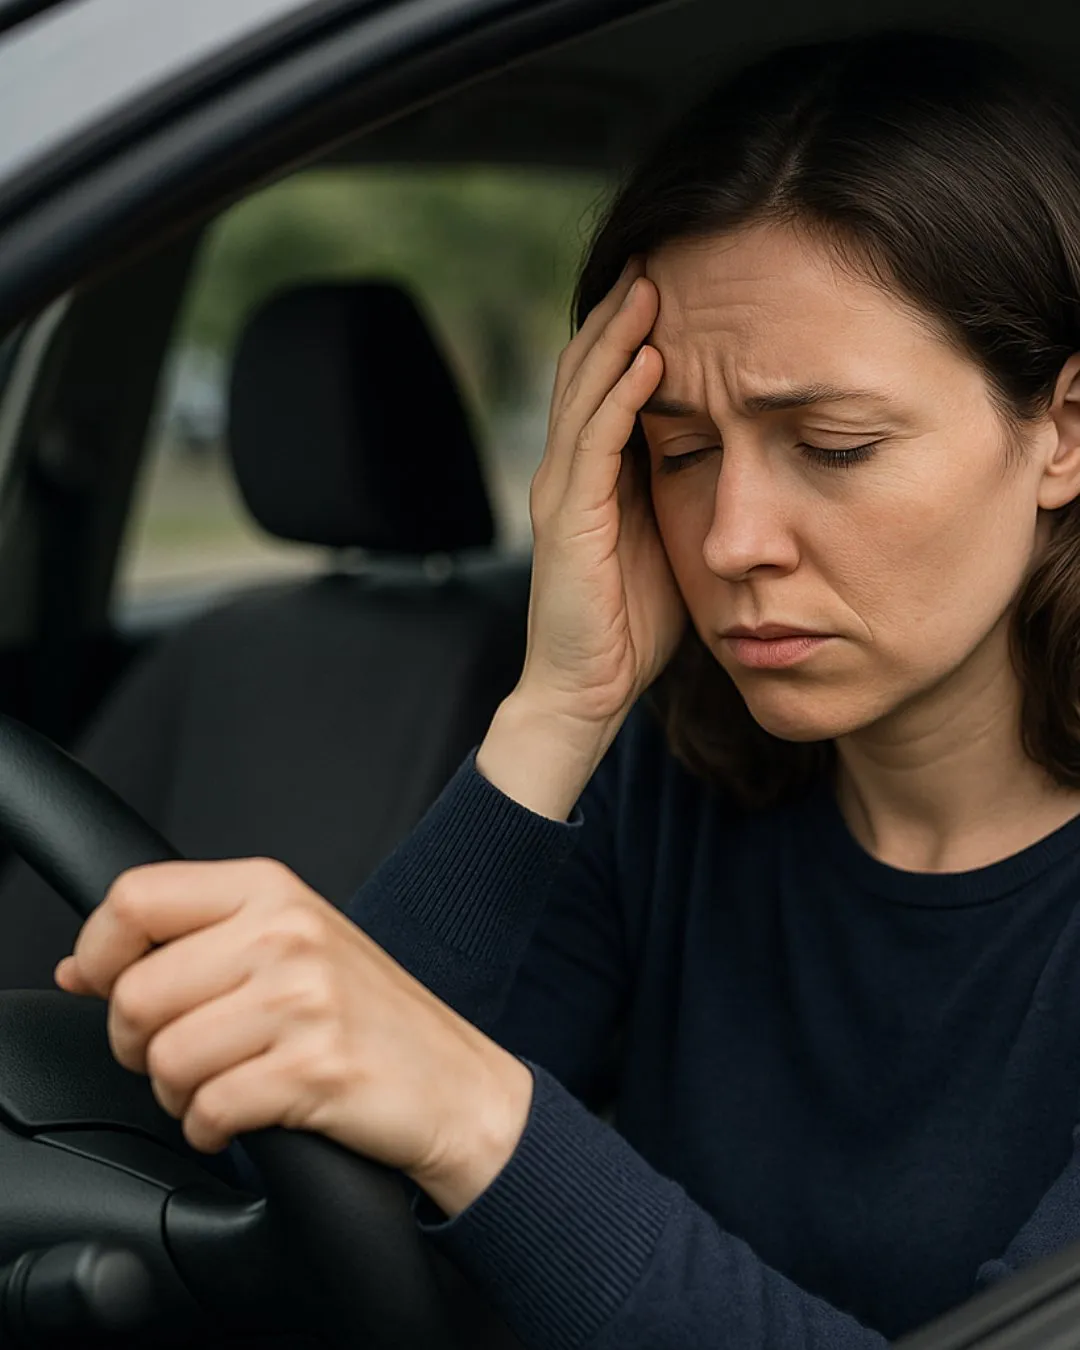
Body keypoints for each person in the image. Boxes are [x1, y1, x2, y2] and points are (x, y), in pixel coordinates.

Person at [49, 26, 1080, 1349]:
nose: (730, 538)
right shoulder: (671, 780)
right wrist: (560, 706)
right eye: (679, 449)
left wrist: (481, 1115)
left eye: (832, 444)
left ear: (1059, 432)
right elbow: (288, 1189)